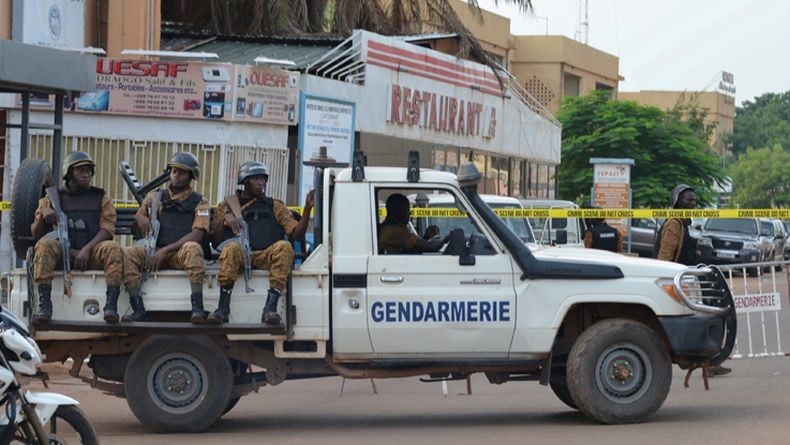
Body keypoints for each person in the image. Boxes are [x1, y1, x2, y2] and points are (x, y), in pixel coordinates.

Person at [209, 161, 314, 325]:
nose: (261, 183)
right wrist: (225, 220)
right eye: (255, 179)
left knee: (284, 247)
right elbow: (214, 241)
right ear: (245, 182)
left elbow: (296, 234)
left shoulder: (275, 206)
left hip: (266, 256)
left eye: (263, 179)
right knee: (230, 249)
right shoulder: (227, 206)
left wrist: (307, 209)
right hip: (241, 256)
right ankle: (223, 309)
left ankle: (270, 308)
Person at [30, 151, 123, 323]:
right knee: (44, 245)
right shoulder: (51, 198)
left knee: (113, 248)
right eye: (81, 170)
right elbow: (36, 234)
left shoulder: (101, 198)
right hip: (62, 251)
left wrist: (86, 249)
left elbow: (108, 230)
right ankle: (45, 305)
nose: (86, 174)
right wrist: (43, 215)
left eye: (88, 171)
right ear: (69, 173)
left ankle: (111, 305)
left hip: (92, 251)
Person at [122, 152, 210, 324]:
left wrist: (165, 251)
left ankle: (197, 308)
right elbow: (139, 216)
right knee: (127, 253)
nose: (176, 175)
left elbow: (198, 233)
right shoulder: (155, 197)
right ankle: (137, 308)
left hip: (178, 254)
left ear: (191, 176)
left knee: (193, 248)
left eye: (182, 172)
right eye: (174, 171)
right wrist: (141, 218)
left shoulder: (200, 201)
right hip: (154, 251)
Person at [656, 184, 731, 377]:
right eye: (688, 199)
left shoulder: (685, 224)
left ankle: (709, 362)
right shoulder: (674, 224)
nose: (693, 203)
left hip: (689, 282)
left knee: (706, 320)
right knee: (702, 321)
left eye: (694, 200)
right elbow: (664, 257)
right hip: (679, 285)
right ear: (677, 202)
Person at [378, 193, 448, 254]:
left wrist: (426, 237)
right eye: (407, 210)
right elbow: (432, 247)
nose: (409, 214)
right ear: (397, 212)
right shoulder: (396, 231)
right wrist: (447, 238)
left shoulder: (388, 228)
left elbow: (415, 247)